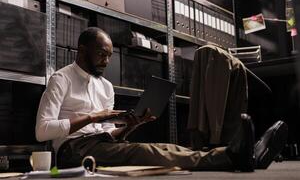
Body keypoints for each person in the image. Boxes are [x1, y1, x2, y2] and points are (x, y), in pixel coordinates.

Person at [35, 27, 261, 171]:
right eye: (102, 54)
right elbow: (42, 131)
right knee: (144, 152)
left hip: (101, 144)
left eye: (110, 56)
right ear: (82, 51)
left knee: (161, 147)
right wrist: (93, 116)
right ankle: (232, 155)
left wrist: (130, 126)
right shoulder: (61, 79)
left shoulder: (105, 86)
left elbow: (110, 134)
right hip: (72, 150)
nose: (106, 61)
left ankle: (236, 155)